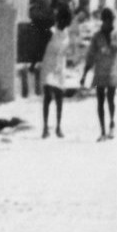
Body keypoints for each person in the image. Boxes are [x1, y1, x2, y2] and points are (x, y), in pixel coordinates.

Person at [38, 7, 84, 138]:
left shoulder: (67, 34)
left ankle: (58, 127)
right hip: (48, 65)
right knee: (47, 96)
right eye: (65, 20)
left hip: (60, 67)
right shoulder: (50, 32)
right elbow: (41, 47)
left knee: (59, 97)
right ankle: (45, 127)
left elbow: (68, 50)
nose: (66, 24)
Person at [82, 6, 117, 140]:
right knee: (100, 101)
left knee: (110, 99)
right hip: (99, 72)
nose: (110, 23)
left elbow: (116, 48)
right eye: (108, 20)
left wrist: (107, 44)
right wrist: (84, 74)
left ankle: (111, 122)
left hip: (112, 71)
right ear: (103, 20)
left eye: (111, 20)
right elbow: (91, 55)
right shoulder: (96, 37)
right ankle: (103, 131)